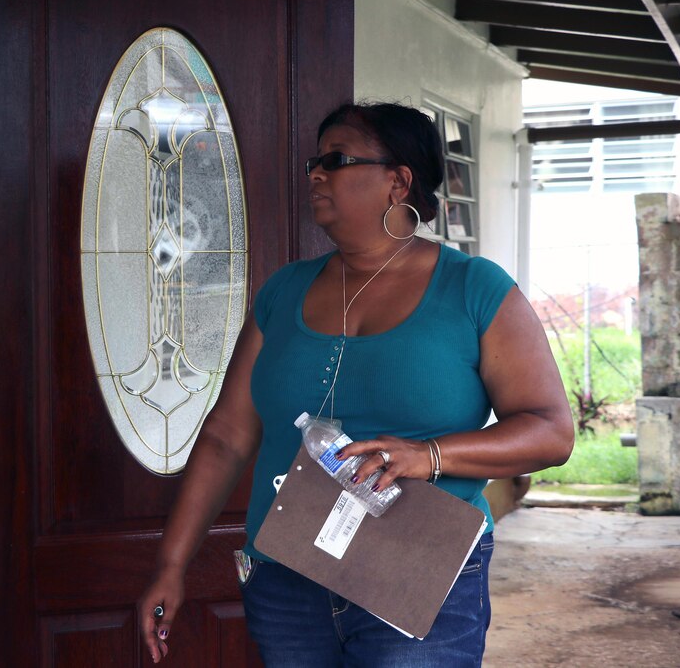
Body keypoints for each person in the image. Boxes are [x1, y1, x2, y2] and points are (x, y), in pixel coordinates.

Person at [137, 102, 574, 666]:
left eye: (336, 159)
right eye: (315, 161)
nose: (316, 173)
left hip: (421, 573)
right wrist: (171, 564)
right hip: (288, 578)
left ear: (398, 182)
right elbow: (227, 437)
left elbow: (550, 433)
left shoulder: (473, 289)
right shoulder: (283, 292)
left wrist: (428, 456)